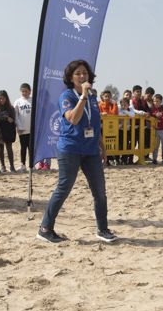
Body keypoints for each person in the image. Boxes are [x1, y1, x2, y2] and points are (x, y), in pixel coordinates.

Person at [37, 60, 117, 244]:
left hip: (90, 150)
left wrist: (102, 147)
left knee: (100, 191)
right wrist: (82, 97)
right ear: (71, 78)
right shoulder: (66, 96)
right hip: (70, 149)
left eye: (85, 73)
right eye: (78, 74)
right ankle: (45, 228)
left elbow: (94, 124)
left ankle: (102, 229)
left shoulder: (92, 97)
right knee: (63, 188)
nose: (82, 76)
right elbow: (73, 119)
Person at [0, 90, 17, 172]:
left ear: (6, 98)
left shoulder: (11, 108)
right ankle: (3, 166)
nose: (1, 100)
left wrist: (8, 118)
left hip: (8, 130)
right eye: (0, 98)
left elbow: (13, 119)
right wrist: (6, 117)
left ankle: (12, 166)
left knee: (9, 148)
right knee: (0, 149)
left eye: (3, 98)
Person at [14, 83, 33, 172]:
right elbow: (16, 115)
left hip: (32, 129)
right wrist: (19, 126)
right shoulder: (18, 102)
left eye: (26, 91)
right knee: (23, 147)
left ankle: (31, 165)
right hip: (22, 129)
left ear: (30, 91)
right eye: (23, 91)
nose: (24, 93)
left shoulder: (33, 100)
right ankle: (23, 164)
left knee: (31, 148)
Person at [149, 94, 163, 164]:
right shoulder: (152, 109)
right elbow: (149, 116)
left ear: (161, 101)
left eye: (157, 101)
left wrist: (157, 117)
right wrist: (155, 115)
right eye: (154, 101)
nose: (155, 103)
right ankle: (154, 159)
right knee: (155, 146)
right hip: (155, 130)